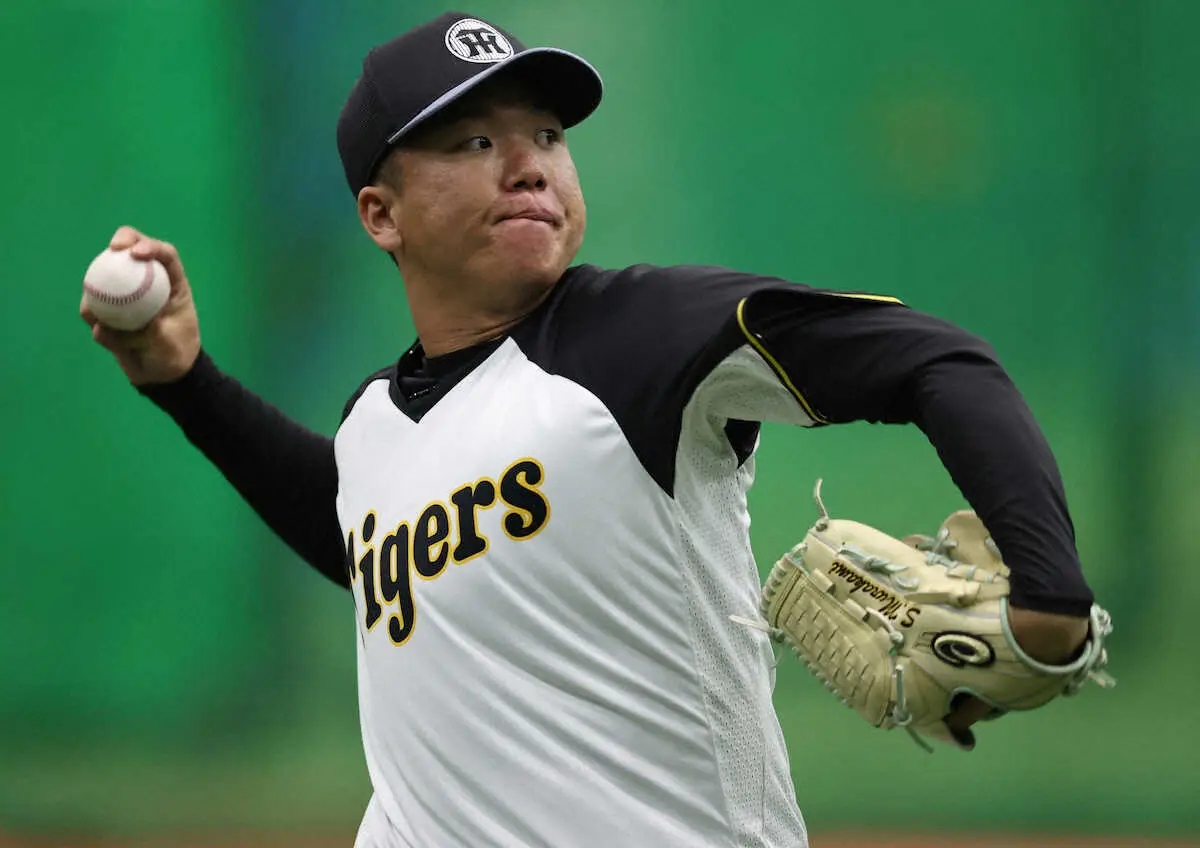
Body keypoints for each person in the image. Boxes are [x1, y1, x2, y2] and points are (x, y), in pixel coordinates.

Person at [82, 12, 1097, 848]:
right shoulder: (376, 418)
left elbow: (939, 362)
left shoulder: (638, 339)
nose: (527, 165)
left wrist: (1049, 596)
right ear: (380, 213)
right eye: (475, 141)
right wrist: (185, 382)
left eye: (548, 138)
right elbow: (359, 525)